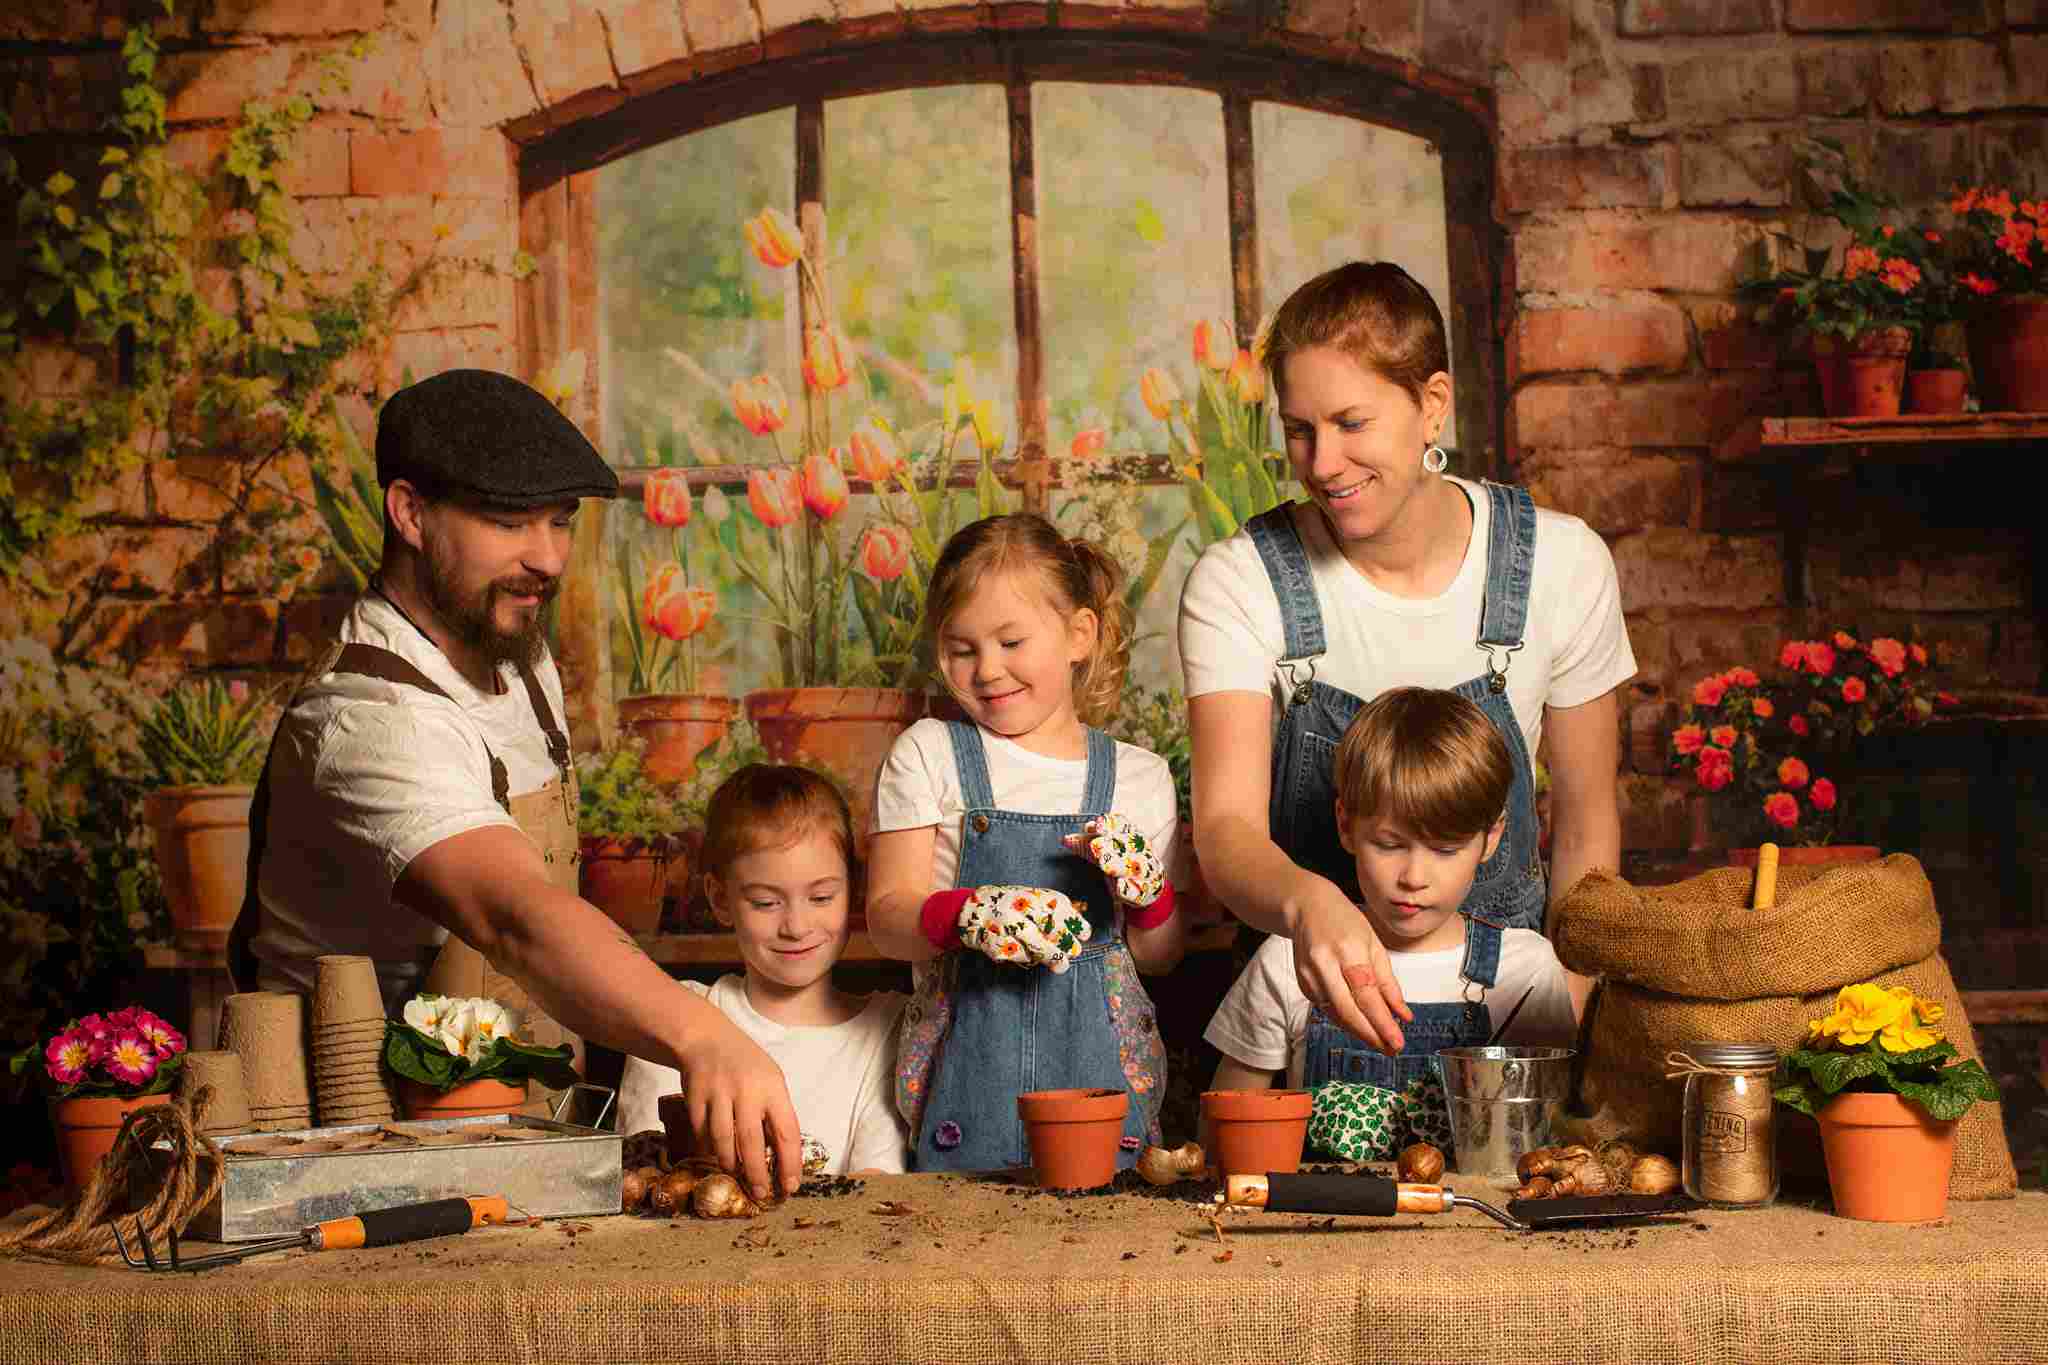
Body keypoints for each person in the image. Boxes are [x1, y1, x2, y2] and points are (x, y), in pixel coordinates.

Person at [234, 368, 801, 1199]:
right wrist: (703, 1034)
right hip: (364, 1166)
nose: (547, 557)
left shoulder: (520, 659)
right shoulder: (369, 715)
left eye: (560, 521)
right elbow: (512, 915)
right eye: (509, 523)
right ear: (410, 513)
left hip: (510, 1139)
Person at [1178, 261, 1633, 1056]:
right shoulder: (1239, 580)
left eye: (1351, 423)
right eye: (1299, 429)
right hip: (1309, 1021)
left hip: (1507, 1027)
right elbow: (1224, 830)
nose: (1323, 462)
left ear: (1432, 405)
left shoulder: (1563, 565)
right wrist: (1310, 905)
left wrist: (1562, 1024)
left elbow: (1588, 826)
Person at [865, 513, 1188, 1172]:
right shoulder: (929, 752)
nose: (988, 670)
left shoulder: (1140, 778)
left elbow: (1160, 957)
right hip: (966, 1088)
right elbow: (887, 920)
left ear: (1078, 635)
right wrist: (968, 913)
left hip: (1103, 1098)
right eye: (962, 648)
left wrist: (1149, 895)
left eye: (1011, 641)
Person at [1202, 688, 1582, 1160]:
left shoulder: (1528, 970)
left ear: (1491, 838)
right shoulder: (1291, 956)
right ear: (1345, 825)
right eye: (1389, 844)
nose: (1414, 877)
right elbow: (1224, 1136)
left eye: (1445, 850)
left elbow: (1557, 1135)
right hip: (1319, 1209)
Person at [617, 765, 909, 1176]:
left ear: (855, 890)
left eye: (821, 897)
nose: (796, 927)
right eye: (766, 903)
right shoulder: (675, 1018)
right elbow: (646, 1178)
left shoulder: (892, 1026)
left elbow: (876, 1187)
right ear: (720, 899)